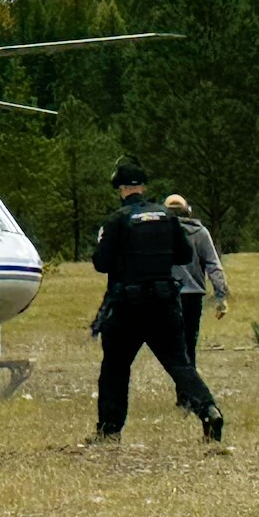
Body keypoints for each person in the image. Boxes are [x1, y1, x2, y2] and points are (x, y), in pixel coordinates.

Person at [90, 159, 225, 444]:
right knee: (179, 363)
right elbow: (184, 256)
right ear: (144, 187)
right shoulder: (167, 217)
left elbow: (100, 263)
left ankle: (109, 430)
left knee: (115, 367)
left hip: (127, 304)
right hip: (164, 302)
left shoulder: (117, 220)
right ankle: (209, 410)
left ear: (122, 189)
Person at [164, 194, 228, 372]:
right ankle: (188, 393)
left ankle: (182, 390)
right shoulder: (200, 232)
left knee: (170, 345)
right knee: (189, 344)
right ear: (188, 211)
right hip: (192, 297)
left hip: (165, 295)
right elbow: (214, 265)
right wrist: (220, 297)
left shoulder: (159, 233)